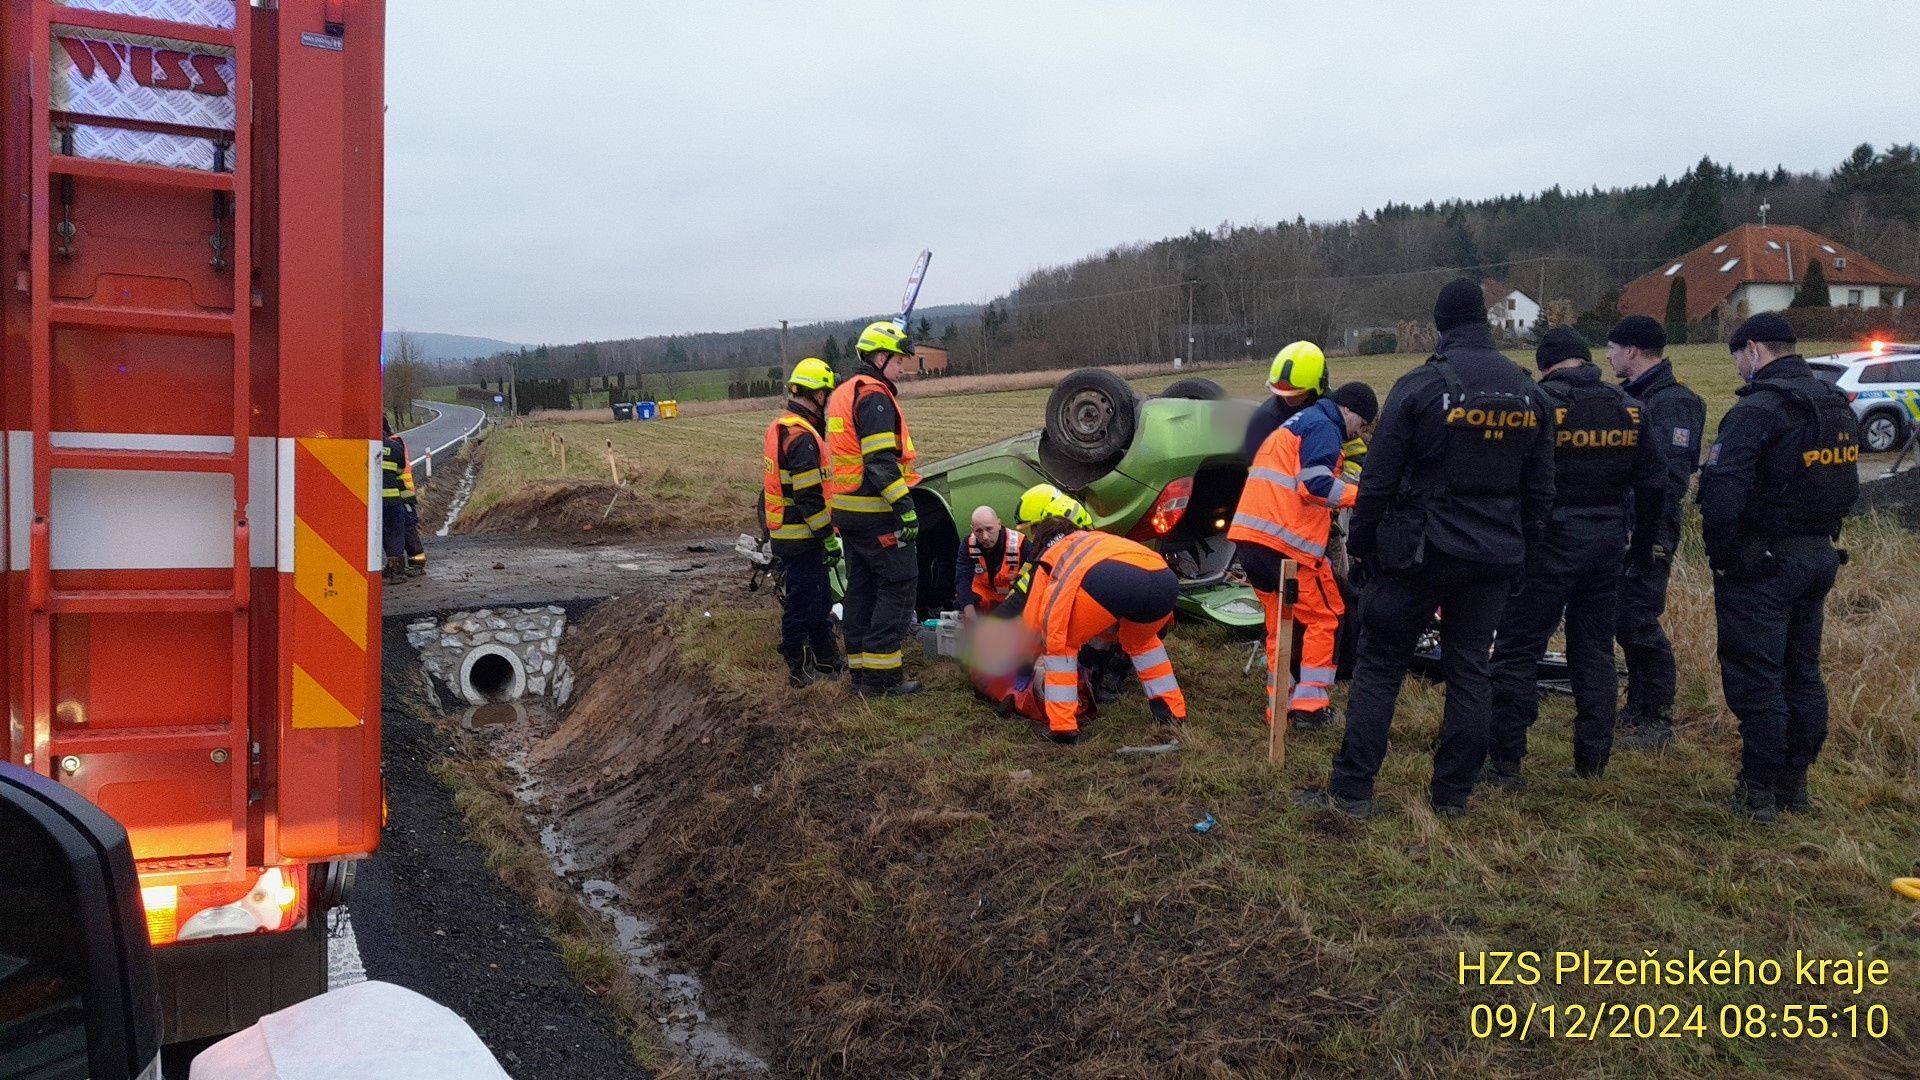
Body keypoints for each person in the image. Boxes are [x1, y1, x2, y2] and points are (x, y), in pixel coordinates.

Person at [1298, 278, 1554, 819]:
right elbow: (1541, 490)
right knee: (1470, 669)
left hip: (1420, 551)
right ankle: (1453, 796)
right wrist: (1521, 552)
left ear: (1440, 326)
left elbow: (1378, 480)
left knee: (1380, 666)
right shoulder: (1530, 394)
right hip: (1494, 555)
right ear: (1485, 323)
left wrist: (1363, 548)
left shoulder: (1420, 386)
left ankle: (1353, 791)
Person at [1481, 329, 1665, 787]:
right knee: (1595, 651)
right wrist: (1640, 546)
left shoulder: (1540, 405)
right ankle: (1592, 761)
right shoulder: (1629, 408)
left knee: (1518, 649)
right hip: (1608, 541)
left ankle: (1505, 761)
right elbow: (1654, 483)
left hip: (1547, 543)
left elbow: (1513, 477)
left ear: (1546, 364)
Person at [1698, 313, 1859, 823]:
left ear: (1753, 349)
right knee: (1802, 672)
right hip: (1818, 553)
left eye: (1737, 357)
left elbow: (1722, 494)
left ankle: (1759, 792)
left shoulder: (1758, 410)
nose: (1738, 368)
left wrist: (1724, 558)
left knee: (1757, 679)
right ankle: (1795, 783)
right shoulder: (1832, 403)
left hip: (1763, 563)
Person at [1229, 380, 1378, 731]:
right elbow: (1315, 485)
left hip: (1250, 542)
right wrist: (1365, 496)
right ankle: (1311, 708)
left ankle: (1280, 706)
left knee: (1281, 624)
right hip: (1286, 545)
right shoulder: (1324, 427)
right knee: (1326, 616)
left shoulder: (1299, 423)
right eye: (1361, 424)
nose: (1359, 433)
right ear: (1348, 411)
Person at [1605, 316, 1706, 750]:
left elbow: (1666, 477)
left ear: (1632, 350)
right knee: (1623, 617)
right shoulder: (1637, 398)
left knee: (1638, 619)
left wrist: (1643, 533)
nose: (1608, 355)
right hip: (1630, 524)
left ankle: (1657, 716)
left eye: (1613, 347)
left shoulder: (1671, 403)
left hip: (1650, 526)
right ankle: (1639, 707)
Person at [1016, 507, 1187, 744]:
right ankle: (1171, 712)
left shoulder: (1051, 555)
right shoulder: (1097, 539)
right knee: (1143, 643)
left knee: (1059, 644)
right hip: (1163, 580)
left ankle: (1063, 727)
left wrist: (1026, 659)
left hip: (1109, 580)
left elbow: (1034, 620)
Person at [825, 321, 922, 696]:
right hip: (876, 513)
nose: (902, 369)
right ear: (880, 357)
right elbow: (880, 462)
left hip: (849, 513)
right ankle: (882, 680)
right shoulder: (875, 396)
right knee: (898, 586)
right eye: (898, 361)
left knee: (860, 592)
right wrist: (905, 507)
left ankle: (861, 675)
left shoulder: (844, 392)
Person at [763, 358, 845, 686]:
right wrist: (827, 537)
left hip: (791, 533)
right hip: (802, 536)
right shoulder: (802, 437)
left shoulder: (785, 427)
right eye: (827, 394)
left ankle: (826, 657)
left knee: (819, 598)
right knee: (802, 602)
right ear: (818, 395)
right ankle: (798, 666)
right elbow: (809, 496)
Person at [1243, 340, 1331, 461]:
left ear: (1317, 388)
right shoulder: (1265, 422)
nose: (1287, 398)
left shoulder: (1335, 410)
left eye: (1295, 393)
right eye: (1281, 393)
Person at [955, 505, 1022, 617]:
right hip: (984, 599)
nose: (985, 537)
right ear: (972, 530)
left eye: (989, 529)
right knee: (963, 598)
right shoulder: (968, 544)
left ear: (999, 524)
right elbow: (962, 578)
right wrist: (969, 612)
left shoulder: (1020, 544)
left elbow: (1032, 583)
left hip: (1012, 600)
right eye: (979, 531)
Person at [379, 420, 409, 583]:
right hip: (392, 500)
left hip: (369, 503)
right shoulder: (395, 447)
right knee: (395, 533)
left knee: (380, 534)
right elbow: (400, 470)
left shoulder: (362, 447)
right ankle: (396, 571)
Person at [397, 437, 426, 576]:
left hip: (404, 494)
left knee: (408, 529)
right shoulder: (394, 442)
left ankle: (417, 564)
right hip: (399, 493)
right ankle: (397, 565)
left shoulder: (394, 443)